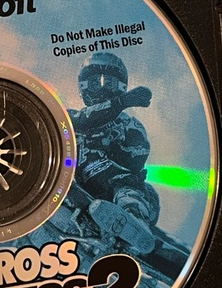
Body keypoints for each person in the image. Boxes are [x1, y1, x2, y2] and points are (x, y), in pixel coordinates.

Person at [68, 52, 160, 227]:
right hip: (70, 184)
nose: (103, 89)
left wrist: (116, 151)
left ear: (120, 86)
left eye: (109, 83)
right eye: (95, 83)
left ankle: (132, 218)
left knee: (141, 191)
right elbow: (84, 120)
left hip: (113, 185)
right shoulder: (70, 117)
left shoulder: (129, 123)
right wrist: (121, 102)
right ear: (84, 86)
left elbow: (138, 154)